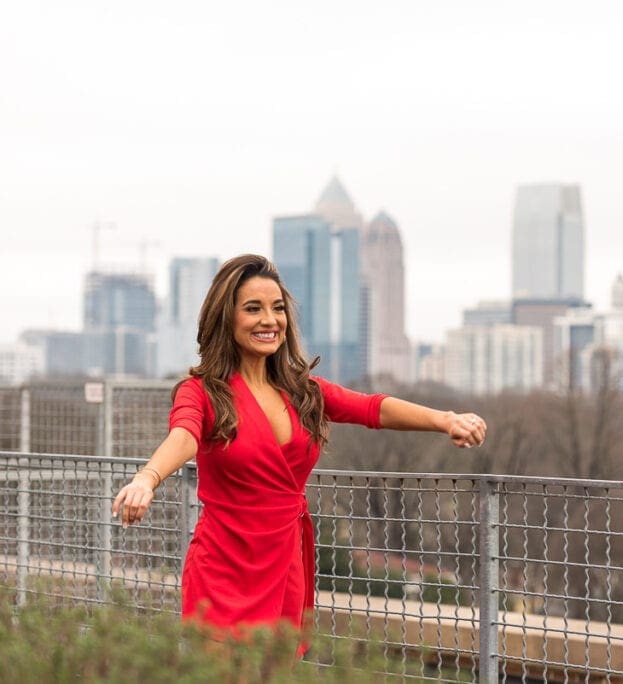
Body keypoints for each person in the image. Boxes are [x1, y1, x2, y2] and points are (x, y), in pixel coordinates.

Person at [111, 254, 487, 643]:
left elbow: (373, 408)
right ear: (226, 318)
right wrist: (147, 478)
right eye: (253, 309)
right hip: (224, 567)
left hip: (285, 561)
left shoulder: (302, 390)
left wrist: (446, 420)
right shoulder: (202, 392)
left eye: (277, 309)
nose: (269, 320)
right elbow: (184, 435)